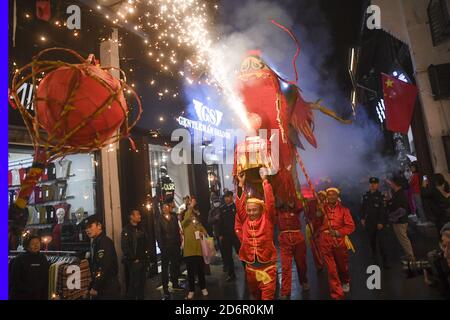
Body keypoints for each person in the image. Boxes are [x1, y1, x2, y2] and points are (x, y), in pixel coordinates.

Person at [235, 170, 277, 300]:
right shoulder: (245, 220)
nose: (251, 212)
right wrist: (241, 185)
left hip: (268, 269)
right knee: (255, 297)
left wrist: (265, 181)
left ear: (261, 209)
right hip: (251, 271)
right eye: (249, 210)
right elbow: (239, 206)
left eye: (254, 210)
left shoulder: (268, 219)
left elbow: (270, 202)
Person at [317, 188, 355, 300]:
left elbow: (351, 226)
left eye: (333, 195)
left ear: (337, 196)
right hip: (325, 241)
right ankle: (337, 293)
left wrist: (338, 232)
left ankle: (345, 281)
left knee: (342, 265)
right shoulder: (322, 208)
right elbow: (315, 222)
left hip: (339, 241)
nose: (331, 197)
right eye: (329, 195)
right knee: (331, 269)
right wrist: (318, 213)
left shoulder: (344, 210)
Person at [277, 200, 309, 299]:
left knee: (301, 264)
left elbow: (302, 204)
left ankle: (303, 281)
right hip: (284, 240)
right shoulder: (277, 211)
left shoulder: (295, 208)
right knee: (285, 266)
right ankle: (285, 291)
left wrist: (294, 203)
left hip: (298, 239)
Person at [84, 215, 120, 300]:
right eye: (86, 228)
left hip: (107, 288)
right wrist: (90, 287)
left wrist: (95, 287)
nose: (87, 230)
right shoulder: (96, 242)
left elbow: (103, 267)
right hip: (102, 287)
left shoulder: (104, 242)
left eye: (90, 226)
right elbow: (95, 269)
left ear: (99, 226)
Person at [181, 196, 209, 300]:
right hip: (189, 251)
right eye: (190, 213)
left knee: (200, 271)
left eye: (193, 214)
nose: (192, 215)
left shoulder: (197, 223)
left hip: (198, 250)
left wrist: (203, 233)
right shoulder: (184, 223)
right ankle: (191, 290)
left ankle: (203, 287)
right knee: (191, 273)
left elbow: (204, 231)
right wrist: (191, 206)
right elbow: (187, 216)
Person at [155, 203, 183, 300]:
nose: (166, 209)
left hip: (175, 245)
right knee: (165, 267)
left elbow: (177, 230)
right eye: (164, 208)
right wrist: (161, 246)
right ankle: (166, 287)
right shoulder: (159, 220)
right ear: (162, 209)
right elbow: (158, 234)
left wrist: (179, 243)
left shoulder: (174, 217)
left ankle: (175, 283)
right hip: (166, 247)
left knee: (175, 265)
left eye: (167, 207)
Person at [9, 234, 49, 300]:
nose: (36, 245)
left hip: (39, 294)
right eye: (32, 244)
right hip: (22, 295)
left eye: (37, 243)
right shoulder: (19, 259)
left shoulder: (43, 258)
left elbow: (45, 277)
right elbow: (15, 279)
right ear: (27, 246)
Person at [360, 177, 389, 267]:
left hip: (378, 222)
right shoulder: (366, 196)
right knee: (372, 243)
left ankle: (385, 262)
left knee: (382, 243)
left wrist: (381, 222)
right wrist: (362, 218)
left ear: (378, 185)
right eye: (371, 183)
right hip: (369, 222)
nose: (373, 185)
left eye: (375, 183)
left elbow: (383, 210)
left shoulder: (381, 196)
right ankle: (375, 261)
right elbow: (362, 208)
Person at [121, 209, 149, 300]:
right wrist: (134, 258)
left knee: (142, 283)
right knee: (134, 284)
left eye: (139, 214)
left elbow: (146, 242)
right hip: (134, 262)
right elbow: (125, 247)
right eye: (137, 214)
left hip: (143, 259)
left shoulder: (142, 227)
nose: (140, 216)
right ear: (131, 217)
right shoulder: (126, 229)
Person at [387, 176, 415, 261]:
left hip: (400, 220)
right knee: (402, 239)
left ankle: (411, 257)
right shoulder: (398, 192)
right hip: (400, 220)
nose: (390, 184)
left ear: (395, 184)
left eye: (391, 183)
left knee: (404, 239)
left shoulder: (399, 194)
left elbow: (400, 209)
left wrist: (392, 216)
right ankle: (408, 255)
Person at [217, 190, 241, 282]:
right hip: (226, 236)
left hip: (236, 235)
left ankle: (247, 271)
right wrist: (220, 234)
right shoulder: (222, 209)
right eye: (225, 197)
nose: (227, 199)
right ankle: (231, 274)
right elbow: (220, 223)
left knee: (241, 253)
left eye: (228, 197)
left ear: (232, 197)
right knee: (228, 256)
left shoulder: (236, 207)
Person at [207, 194, 223, 261]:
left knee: (227, 249)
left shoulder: (222, 208)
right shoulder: (211, 211)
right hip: (217, 232)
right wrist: (215, 218)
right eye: (215, 202)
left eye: (217, 201)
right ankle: (225, 263)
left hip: (225, 231)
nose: (216, 203)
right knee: (221, 248)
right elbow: (209, 221)